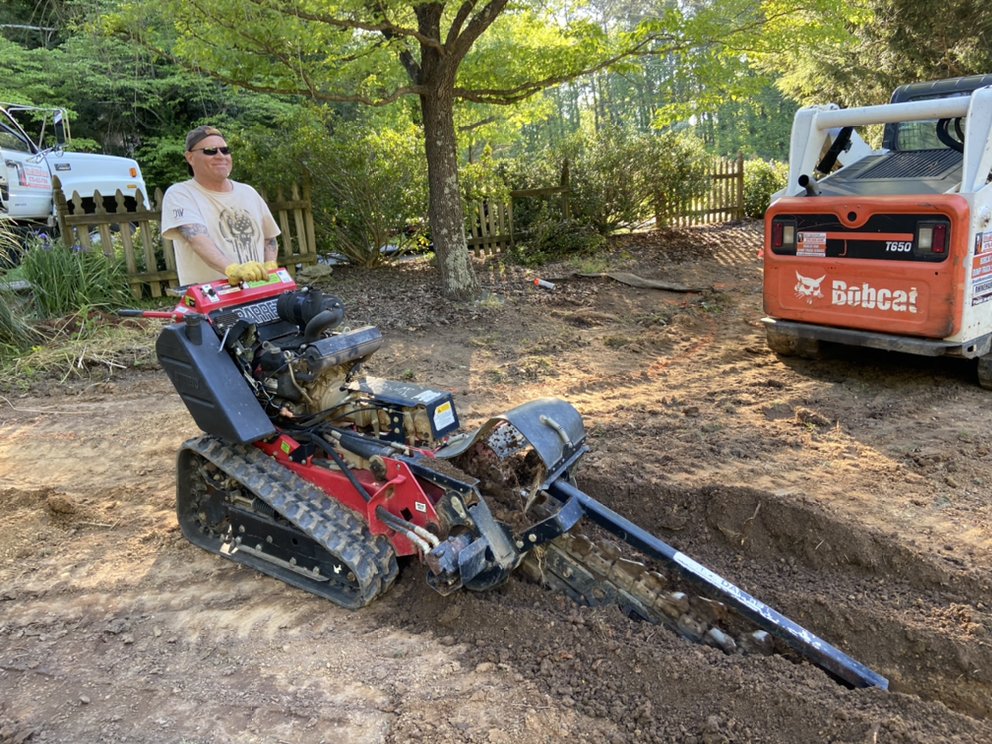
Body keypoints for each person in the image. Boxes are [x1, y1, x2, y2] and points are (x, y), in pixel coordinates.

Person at [161, 125, 281, 285]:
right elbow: (197, 239)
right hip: (212, 300)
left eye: (225, 150)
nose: (220, 156)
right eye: (210, 150)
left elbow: (268, 238)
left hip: (256, 291)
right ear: (190, 158)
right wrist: (232, 270)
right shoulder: (180, 194)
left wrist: (270, 266)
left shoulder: (248, 192)